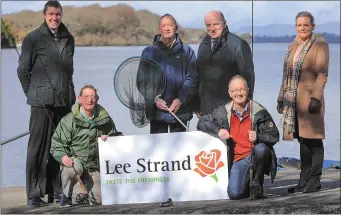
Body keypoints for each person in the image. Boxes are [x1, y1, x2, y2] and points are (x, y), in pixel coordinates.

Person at [16, 0, 76, 206]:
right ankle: (34, 194)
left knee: (59, 147)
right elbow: (22, 71)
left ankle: (57, 191)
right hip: (40, 103)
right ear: (44, 15)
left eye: (58, 14)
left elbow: (69, 70)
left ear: (62, 15)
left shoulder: (69, 38)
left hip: (63, 102)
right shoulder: (32, 38)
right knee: (37, 148)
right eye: (50, 14)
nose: (54, 18)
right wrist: (32, 93)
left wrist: (72, 94)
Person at [197, 75, 279, 200]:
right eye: (235, 90)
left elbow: (274, 136)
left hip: (256, 155)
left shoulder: (259, 111)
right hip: (238, 159)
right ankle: (248, 185)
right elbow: (201, 122)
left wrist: (258, 136)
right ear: (230, 93)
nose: (239, 93)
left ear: (248, 90)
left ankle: (258, 183)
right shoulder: (223, 112)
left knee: (261, 149)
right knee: (234, 194)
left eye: (242, 89)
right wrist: (218, 130)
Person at [277, 11, 329, 193]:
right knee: (303, 141)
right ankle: (303, 180)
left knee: (314, 141)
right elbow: (287, 76)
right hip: (293, 103)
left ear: (313, 26)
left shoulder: (320, 46)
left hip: (309, 101)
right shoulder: (293, 46)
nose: (302, 28)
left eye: (306, 25)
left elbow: (322, 74)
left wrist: (315, 97)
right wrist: (281, 98)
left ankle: (314, 181)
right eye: (299, 25)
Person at [50, 85, 122, 207]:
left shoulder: (104, 118)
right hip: (76, 161)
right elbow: (56, 144)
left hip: (94, 164)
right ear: (80, 99)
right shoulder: (68, 120)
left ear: (97, 99)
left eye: (93, 97)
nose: (90, 100)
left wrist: (109, 139)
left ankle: (86, 195)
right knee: (71, 169)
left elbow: (117, 138)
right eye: (86, 97)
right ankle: (66, 197)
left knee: (98, 200)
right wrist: (62, 156)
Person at [138, 13, 198, 134]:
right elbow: (142, 81)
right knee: (158, 151)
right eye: (164, 25)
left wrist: (180, 100)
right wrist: (154, 99)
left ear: (176, 28)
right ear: (159, 28)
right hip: (156, 112)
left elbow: (192, 79)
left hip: (181, 111)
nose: (167, 28)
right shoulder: (148, 52)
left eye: (170, 25)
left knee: (181, 151)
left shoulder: (187, 51)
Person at [196, 10, 255, 117]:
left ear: (224, 23)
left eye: (216, 24)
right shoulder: (203, 46)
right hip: (206, 111)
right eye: (208, 25)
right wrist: (196, 104)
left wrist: (246, 108)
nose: (212, 28)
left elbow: (248, 79)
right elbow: (199, 77)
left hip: (230, 111)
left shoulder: (239, 45)